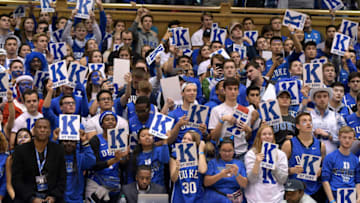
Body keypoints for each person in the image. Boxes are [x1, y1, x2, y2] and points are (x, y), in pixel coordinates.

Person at [12, 118, 66, 203]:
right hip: (27, 197)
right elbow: (16, 180)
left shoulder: (58, 150)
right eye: (39, 127)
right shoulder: (20, 150)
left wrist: (53, 196)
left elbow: (62, 178)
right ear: (33, 130)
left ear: (50, 131)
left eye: (45, 127)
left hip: (51, 197)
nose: (42, 130)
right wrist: (31, 198)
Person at [281, 112, 326, 202]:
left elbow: (324, 167)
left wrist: (321, 170)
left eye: (310, 121)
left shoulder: (321, 145)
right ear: (298, 126)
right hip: (295, 190)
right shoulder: (289, 144)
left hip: (315, 190)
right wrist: (291, 170)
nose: (308, 123)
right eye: (304, 121)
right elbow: (279, 169)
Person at [86, 111, 129, 202]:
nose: (110, 122)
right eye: (107, 120)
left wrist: (124, 158)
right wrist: (114, 160)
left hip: (114, 183)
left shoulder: (120, 139)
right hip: (97, 182)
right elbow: (93, 164)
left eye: (113, 120)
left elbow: (123, 165)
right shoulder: (96, 140)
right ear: (101, 124)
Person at [244, 124, 288, 203]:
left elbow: (283, 180)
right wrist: (257, 163)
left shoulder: (281, 154)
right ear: (259, 137)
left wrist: (274, 167)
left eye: (270, 134)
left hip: (276, 196)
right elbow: (251, 179)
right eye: (264, 134)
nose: (267, 136)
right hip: (256, 196)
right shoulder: (251, 154)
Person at [322, 126, 360, 202]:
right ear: (339, 138)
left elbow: (358, 181)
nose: (347, 140)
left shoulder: (355, 160)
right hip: (335, 194)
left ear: (354, 139)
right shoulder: (330, 157)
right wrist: (332, 200)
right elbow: (325, 180)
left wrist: (359, 197)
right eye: (344, 137)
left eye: (350, 138)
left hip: (351, 196)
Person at [203, 137, 248, 203]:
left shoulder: (239, 164)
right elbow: (206, 183)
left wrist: (237, 174)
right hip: (215, 197)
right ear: (219, 151)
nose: (227, 154)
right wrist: (220, 175)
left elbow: (244, 184)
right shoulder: (213, 162)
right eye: (224, 150)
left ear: (233, 151)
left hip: (234, 197)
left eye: (230, 151)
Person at [170, 131, 207, 202]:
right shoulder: (174, 156)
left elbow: (202, 170)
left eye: (189, 139)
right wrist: (177, 168)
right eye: (184, 138)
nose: (185, 141)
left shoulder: (200, 156)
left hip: (197, 196)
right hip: (179, 196)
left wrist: (201, 151)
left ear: (195, 143)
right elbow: (173, 179)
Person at [5, 128, 32, 201]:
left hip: (33, 196)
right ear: (16, 140)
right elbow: (8, 184)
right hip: (16, 195)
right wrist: (15, 198)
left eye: (26, 137)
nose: (22, 139)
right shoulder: (10, 159)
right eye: (20, 137)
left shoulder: (36, 157)